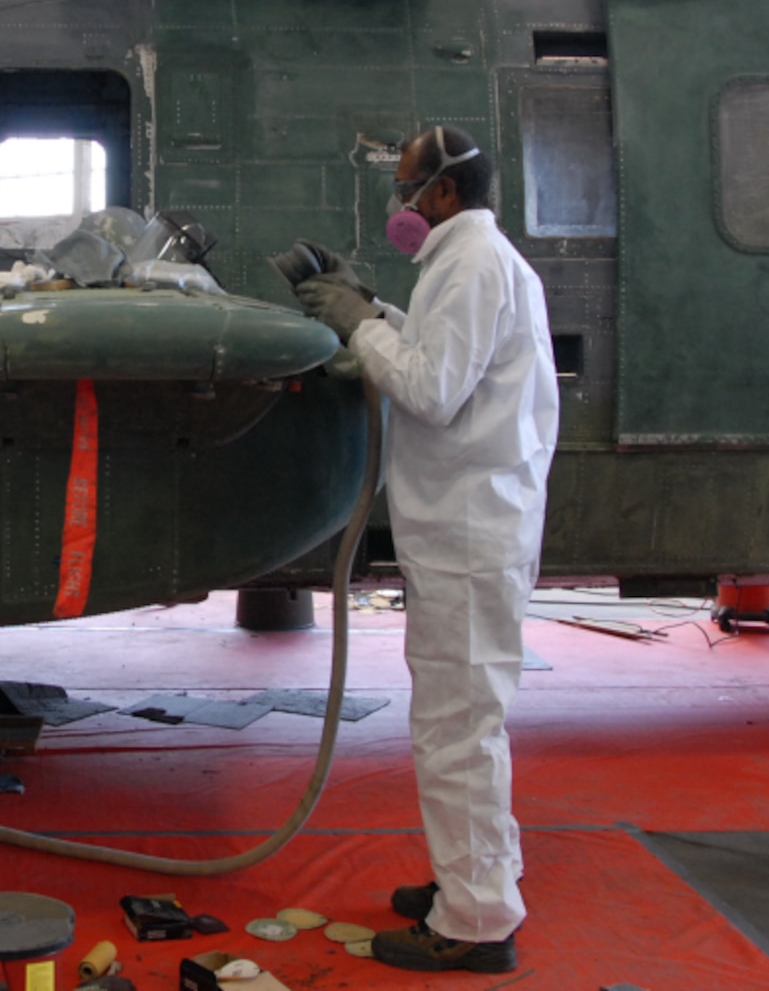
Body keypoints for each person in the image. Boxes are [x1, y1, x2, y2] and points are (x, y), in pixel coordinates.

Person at [291, 125, 559, 975]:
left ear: (443, 193)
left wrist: (362, 330)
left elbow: (434, 390)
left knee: (455, 729)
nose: (399, 205)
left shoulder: (475, 263)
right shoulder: (467, 262)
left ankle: (476, 921)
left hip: (471, 531)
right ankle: (476, 878)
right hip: (467, 525)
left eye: (407, 188)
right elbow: (449, 357)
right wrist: (374, 313)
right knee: (468, 722)